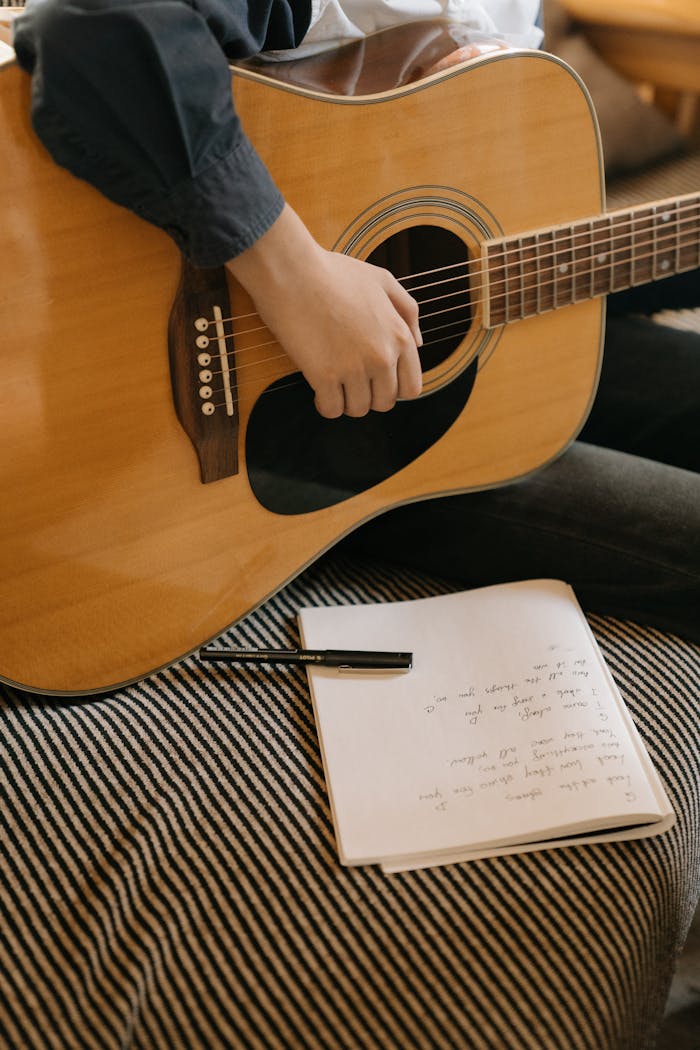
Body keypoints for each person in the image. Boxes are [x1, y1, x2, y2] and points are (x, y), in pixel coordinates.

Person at [10, 0, 700, 642]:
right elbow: (95, 26)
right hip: (305, 438)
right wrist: (297, 281)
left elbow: (503, 233)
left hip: (471, 340)